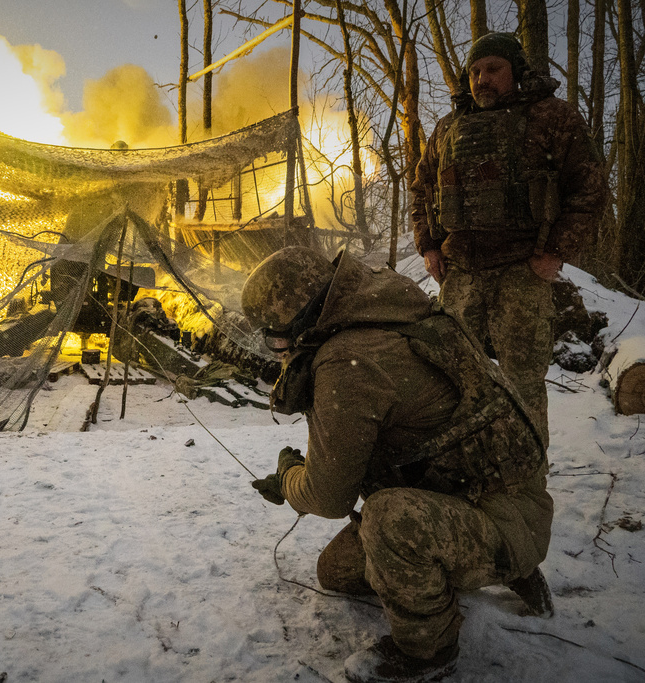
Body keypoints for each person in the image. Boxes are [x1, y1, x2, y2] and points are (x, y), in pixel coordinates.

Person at [243, 246, 554, 683]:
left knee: (387, 520)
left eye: (276, 338)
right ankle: (484, 561)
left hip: (503, 513)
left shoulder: (348, 358)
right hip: (480, 494)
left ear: (300, 321)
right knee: (335, 572)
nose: (279, 351)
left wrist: (288, 479)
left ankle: (428, 651)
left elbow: (329, 498)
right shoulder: (383, 311)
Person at [411, 32, 606, 443]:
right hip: (460, 273)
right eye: (475, 71)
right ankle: (465, 475)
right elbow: (421, 187)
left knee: (523, 386)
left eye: (493, 69)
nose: (482, 79)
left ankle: (526, 487)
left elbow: (589, 188)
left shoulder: (552, 117)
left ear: (516, 71)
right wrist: (428, 246)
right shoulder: (448, 128)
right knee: (450, 380)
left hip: (522, 271)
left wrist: (555, 251)